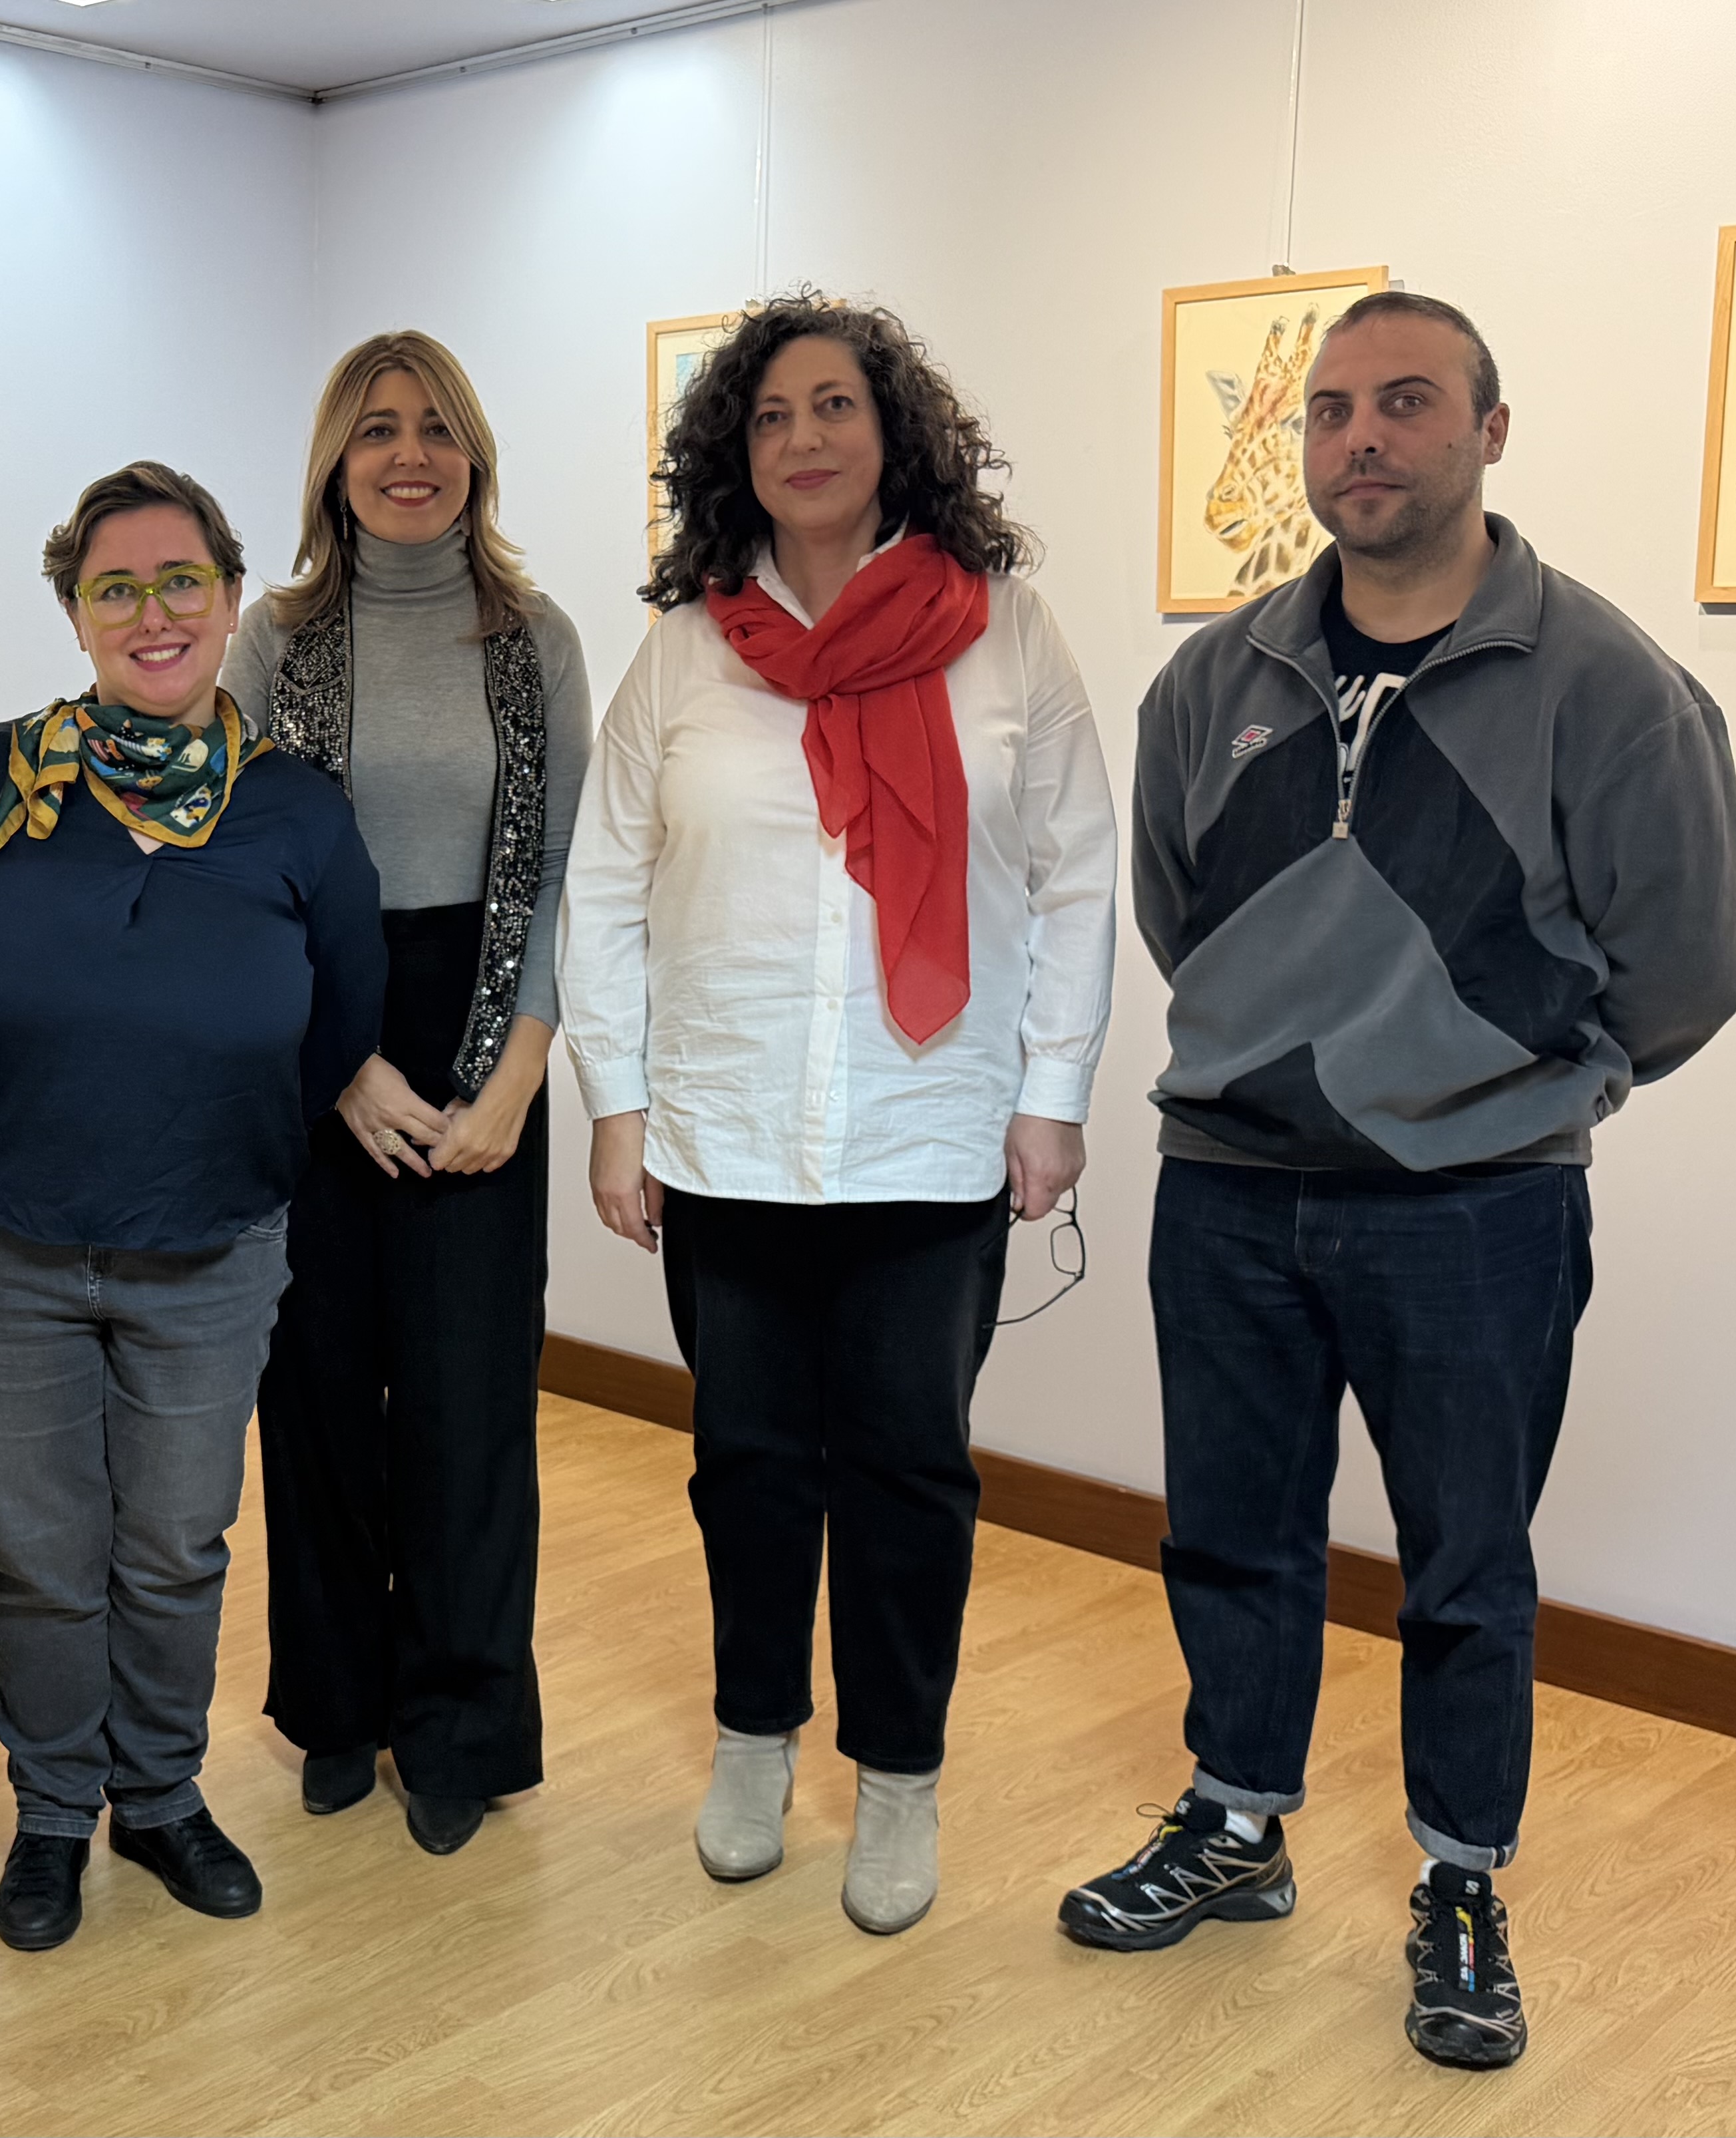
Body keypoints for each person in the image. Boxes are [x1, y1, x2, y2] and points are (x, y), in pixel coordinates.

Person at [1063, 291, 1736, 2072]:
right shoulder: (1213, 681)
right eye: (1332, 409)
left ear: (1489, 432)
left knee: (1464, 1565)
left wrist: (1516, 1091)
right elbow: (1179, 913)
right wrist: (1287, 1059)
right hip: (1228, 1186)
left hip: (1477, 1206)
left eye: (1408, 402)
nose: (1361, 437)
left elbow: (1684, 966)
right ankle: (1237, 1818)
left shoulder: (1606, 685)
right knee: (1232, 1530)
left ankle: (1460, 1879)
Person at [560, 293, 1118, 1936]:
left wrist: (1055, 1092)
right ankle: (753, 1737)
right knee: (746, 1463)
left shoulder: (1004, 634)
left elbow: (1077, 874)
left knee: (907, 1470)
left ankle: (899, 1773)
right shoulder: (688, 647)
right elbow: (606, 881)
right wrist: (618, 1103)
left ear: (895, 434)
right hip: (725, 1131)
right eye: (771, 415)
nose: (803, 438)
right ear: (734, 455)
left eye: (835, 406)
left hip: (929, 1133)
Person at [0, 460, 385, 1953]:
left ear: (232, 597)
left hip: (214, 1243)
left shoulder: (296, 808)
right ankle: (57, 1809)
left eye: (182, 580)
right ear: (75, 614)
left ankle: (163, 1794)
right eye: (115, 587)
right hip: (4, 1243)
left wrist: (208, 1115)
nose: (154, 613)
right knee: (40, 1553)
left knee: (178, 1544)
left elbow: (342, 1021)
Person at [221, 331, 592, 1858]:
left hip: (485, 1038)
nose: (409, 455)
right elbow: (239, 870)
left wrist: (518, 1072)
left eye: (436, 427)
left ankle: (459, 1722)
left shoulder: (536, 637)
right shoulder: (275, 640)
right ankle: (336, 1705)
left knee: (467, 1407)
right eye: (377, 429)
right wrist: (340, 1061)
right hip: (318, 1039)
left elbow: (566, 869)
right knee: (316, 1396)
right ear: (336, 460)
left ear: (474, 455)